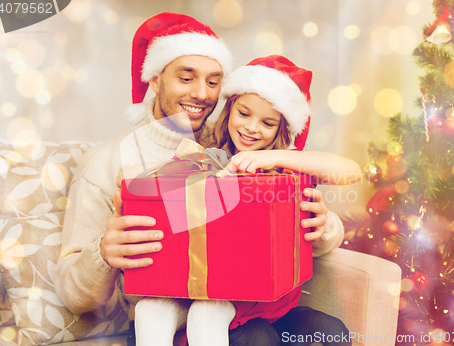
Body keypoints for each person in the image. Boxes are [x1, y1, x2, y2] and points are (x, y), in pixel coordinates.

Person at [53, 12, 335, 346]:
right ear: (155, 80)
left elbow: (286, 216)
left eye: (213, 82)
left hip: (244, 295)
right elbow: (73, 295)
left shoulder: (231, 139)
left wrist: (323, 224)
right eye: (186, 78)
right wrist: (103, 253)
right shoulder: (107, 161)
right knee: (252, 336)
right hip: (170, 306)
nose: (202, 94)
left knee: (326, 332)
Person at [131, 55, 361, 346]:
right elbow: (140, 188)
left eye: (267, 122)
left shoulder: (286, 171)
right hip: (203, 286)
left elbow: (350, 172)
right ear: (229, 110)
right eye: (244, 114)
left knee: (326, 330)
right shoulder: (205, 155)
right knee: (156, 309)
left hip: (265, 300)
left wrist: (271, 156)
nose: (252, 128)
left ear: (281, 130)